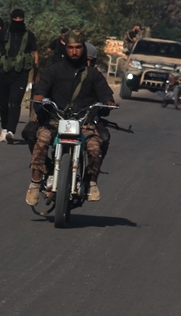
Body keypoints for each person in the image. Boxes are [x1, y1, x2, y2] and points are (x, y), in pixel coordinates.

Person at [24, 33, 117, 205]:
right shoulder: (54, 70)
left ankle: (91, 182)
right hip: (55, 121)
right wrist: (39, 96)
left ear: (83, 49)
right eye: (71, 48)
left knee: (95, 147)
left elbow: (105, 94)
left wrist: (108, 102)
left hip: (85, 124)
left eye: (78, 48)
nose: (74, 52)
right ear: (66, 49)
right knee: (41, 141)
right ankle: (35, 183)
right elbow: (41, 87)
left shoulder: (93, 74)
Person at [0, 9, 38, 145]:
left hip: (20, 74)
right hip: (4, 73)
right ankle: (4, 128)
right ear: (11, 18)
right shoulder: (4, 33)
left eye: (20, 18)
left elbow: (35, 53)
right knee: (4, 104)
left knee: (14, 102)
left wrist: (35, 73)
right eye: (15, 18)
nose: (18, 20)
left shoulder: (29, 36)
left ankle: (11, 131)